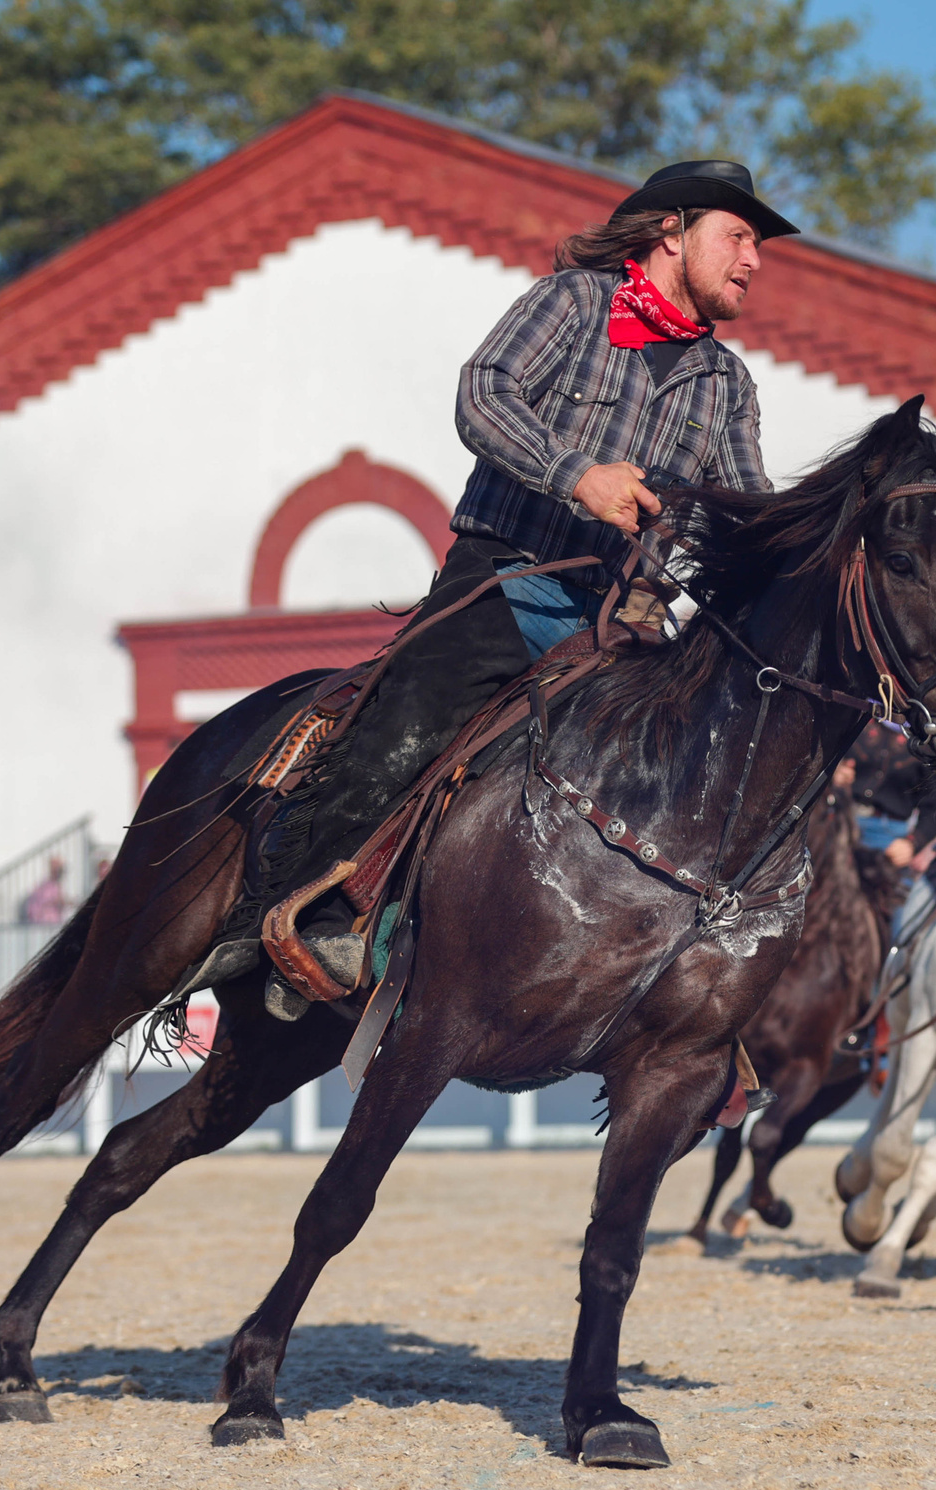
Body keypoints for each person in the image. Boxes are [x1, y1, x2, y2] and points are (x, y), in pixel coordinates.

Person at [199, 157, 798, 1005]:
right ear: (672, 231)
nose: (753, 259)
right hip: (507, 577)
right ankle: (297, 913)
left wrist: (811, 544)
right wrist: (577, 475)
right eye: (738, 236)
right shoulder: (574, 302)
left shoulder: (727, 383)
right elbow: (483, 394)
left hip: (623, 625)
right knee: (404, 725)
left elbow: (745, 512)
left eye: (757, 245)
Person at [849, 718, 936, 871]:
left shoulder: (929, 740)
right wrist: (834, 774)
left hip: (887, 835)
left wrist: (912, 843)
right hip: (840, 815)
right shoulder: (861, 716)